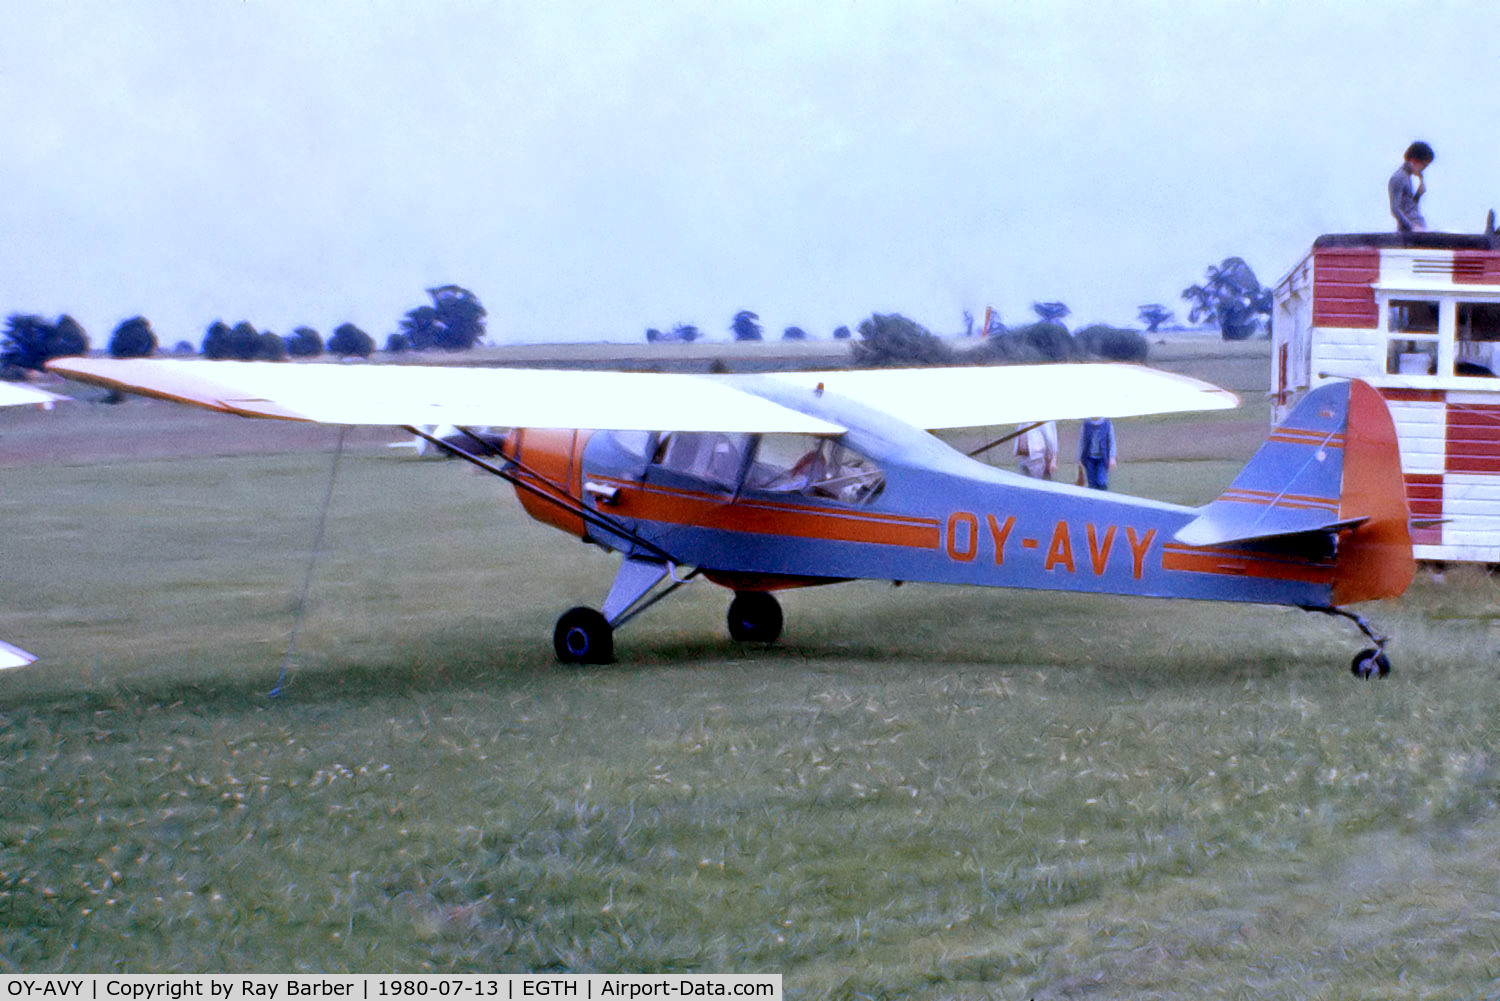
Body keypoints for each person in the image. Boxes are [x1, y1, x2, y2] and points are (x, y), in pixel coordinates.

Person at [1389, 141, 1434, 233]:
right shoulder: (1399, 177)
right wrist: (1413, 227)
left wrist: (1418, 195)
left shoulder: (1407, 176)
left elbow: (1410, 207)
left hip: (1416, 227)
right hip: (1410, 231)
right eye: (1424, 165)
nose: (1423, 169)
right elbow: (1395, 209)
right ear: (1414, 160)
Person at [1077, 416, 1117, 490]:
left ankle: (1104, 498)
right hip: (1089, 459)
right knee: (1092, 484)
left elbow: (1112, 441)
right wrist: (1079, 459)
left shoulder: (1107, 423)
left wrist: (1112, 457)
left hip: (1102, 459)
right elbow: (1081, 442)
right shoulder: (1085, 424)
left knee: (1101, 482)